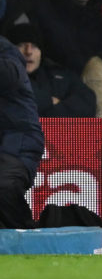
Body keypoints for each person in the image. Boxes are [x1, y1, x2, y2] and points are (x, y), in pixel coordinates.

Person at [0, 34, 43, 229]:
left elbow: (9, 75)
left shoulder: (7, 51)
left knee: (4, 187)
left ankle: (29, 243)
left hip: (14, 142)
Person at [8, 23, 95, 118]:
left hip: (61, 132)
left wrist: (47, 109)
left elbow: (88, 104)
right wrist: (51, 101)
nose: (28, 51)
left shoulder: (62, 75)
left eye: (34, 46)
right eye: (21, 45)